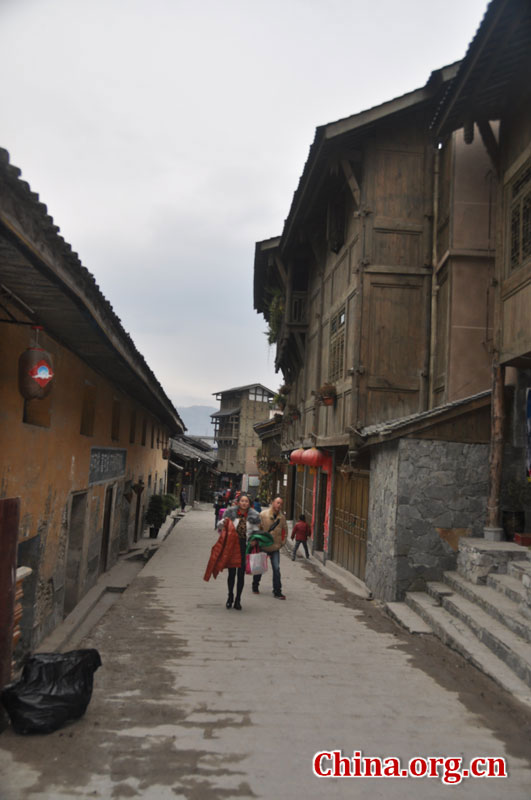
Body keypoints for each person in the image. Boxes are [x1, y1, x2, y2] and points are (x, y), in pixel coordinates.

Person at [220, 493, 260, 610]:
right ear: (238, 502)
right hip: (232, 546)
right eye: (242, 501)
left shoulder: (253, 516)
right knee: (231, 573)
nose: (244, 503)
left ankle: (238, 599)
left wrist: (254, 540)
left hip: (244, 547)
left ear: (249, 503)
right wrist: (222, 524)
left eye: (246, 501)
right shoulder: (231, 513)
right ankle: (230, 596)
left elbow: (256, 532)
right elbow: (221, 524)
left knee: (241, 574)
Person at [253, 496, 288, 599]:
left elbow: (285, 531)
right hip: (263, 546)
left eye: (281, 503)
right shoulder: (263, 514)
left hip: (275, 547)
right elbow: (256, 528)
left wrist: (282, 542)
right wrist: (257, 540)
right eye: (277, 503)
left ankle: (277, 591)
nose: (279, 505)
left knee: (276, 569)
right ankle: (255, 585)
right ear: (272, 502)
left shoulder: (282, 518)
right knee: (259, 568)